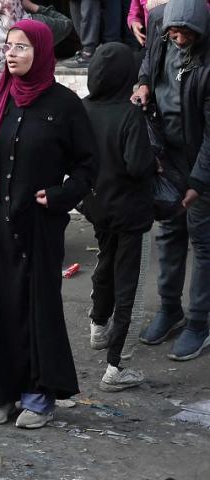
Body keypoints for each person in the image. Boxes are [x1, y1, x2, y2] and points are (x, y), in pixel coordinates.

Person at [0, 19, 97, 429]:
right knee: (1, 304)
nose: (11, 53)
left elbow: (88, 166)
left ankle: (39, 395)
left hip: (40, 224)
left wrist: (61, 196)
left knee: (37, 305)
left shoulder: (64, 105)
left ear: (42, 52)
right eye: (8, 46)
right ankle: (2, 392)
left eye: (22, 47)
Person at [132, 0, 210, 361]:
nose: (179, 40)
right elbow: (149, 59)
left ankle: (198, 321)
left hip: (199, 159)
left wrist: (198, 182)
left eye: (187, 35)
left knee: (203, 240)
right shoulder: (160, 22)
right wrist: (144, 81)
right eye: (174, 33)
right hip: (167, 154)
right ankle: (169, 308)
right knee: (168, 233)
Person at [80, 42, 156, 390]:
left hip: (98, 208)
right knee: (131, 288)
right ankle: (117, 367)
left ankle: (98, 326)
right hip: (131, 213)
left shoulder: (83, 109)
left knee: (105, 264)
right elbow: (138, 165)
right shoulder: (130, 116)